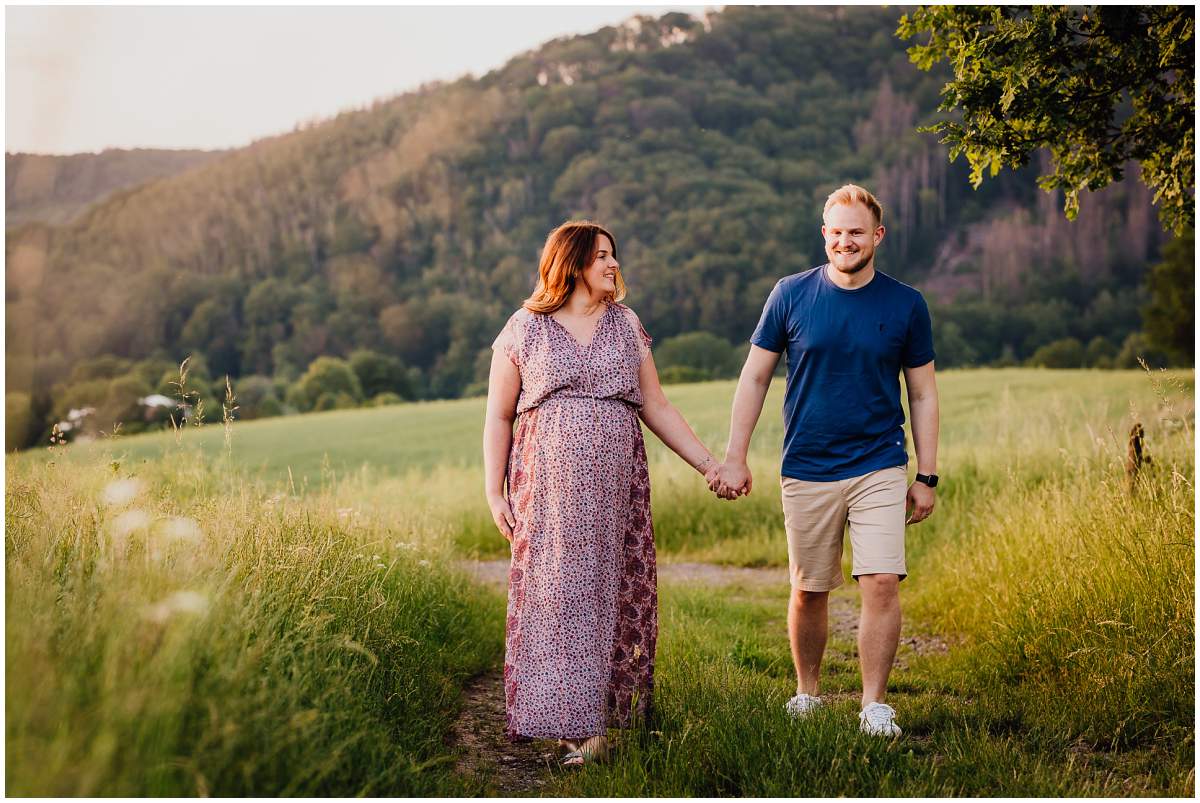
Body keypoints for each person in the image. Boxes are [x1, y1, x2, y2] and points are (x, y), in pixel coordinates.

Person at [483, 220, 721, 765]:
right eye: (602, 257)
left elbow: (656, 405)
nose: (613, 265)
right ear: (571, 264)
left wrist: (709, 465)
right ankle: (562, 717)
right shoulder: (524, 328)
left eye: (613, 255)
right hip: (548, 492)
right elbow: (497, 416)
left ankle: (606, 724)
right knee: (558, 597)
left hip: (618, 493)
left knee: (616, 595)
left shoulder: (626, 323)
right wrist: (493, 492)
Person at [710, 184, 939, 738]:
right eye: (836, 232)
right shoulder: (789, 295)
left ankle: (874, 705)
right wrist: (734, 456)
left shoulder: (906, 303)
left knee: (882, 580)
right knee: (810, 587)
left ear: (877, 236)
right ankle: (808, 694)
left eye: (856, 232)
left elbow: (924, 395)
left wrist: (925, 475)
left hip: (879, 461)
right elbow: (756, 377)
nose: (846, 241)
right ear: (824, 235)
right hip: (807, 465)